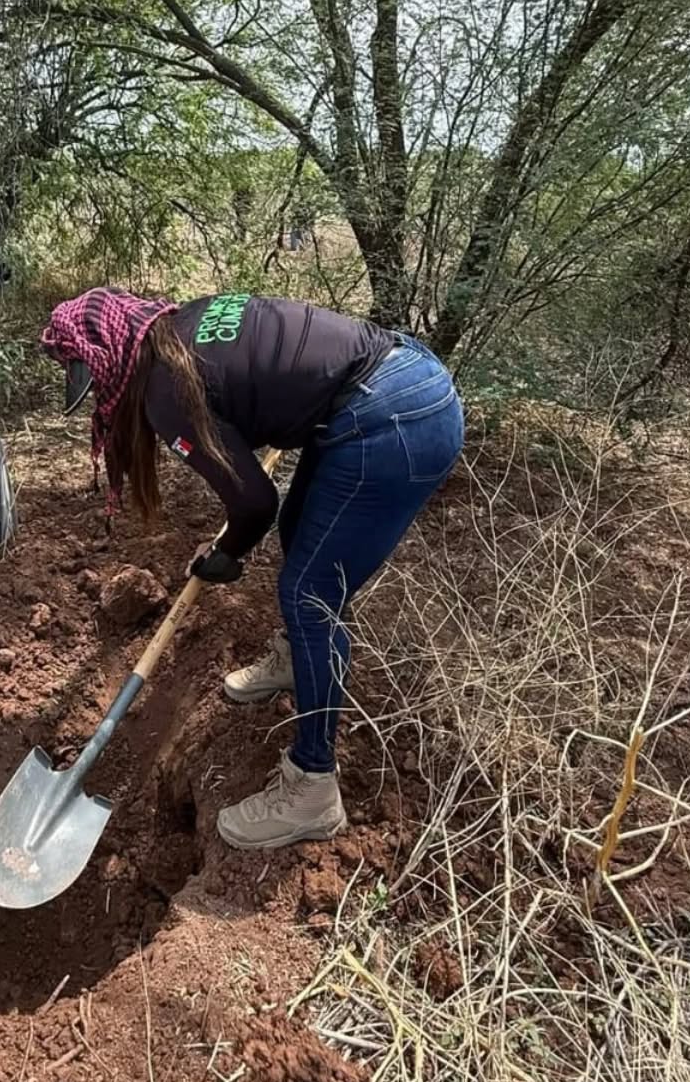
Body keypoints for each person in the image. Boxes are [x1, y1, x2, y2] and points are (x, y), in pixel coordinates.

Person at [41, 288, 464, 850]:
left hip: (392, 420)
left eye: (92, 377)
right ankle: (297, 660)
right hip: (400, 378)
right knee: (299, 532)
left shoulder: (167, 390)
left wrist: (228, 556)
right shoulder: (183, 323)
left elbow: (251, 503)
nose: (99, 395)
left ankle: (313, 786)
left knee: (311, 594)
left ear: (112, 352)